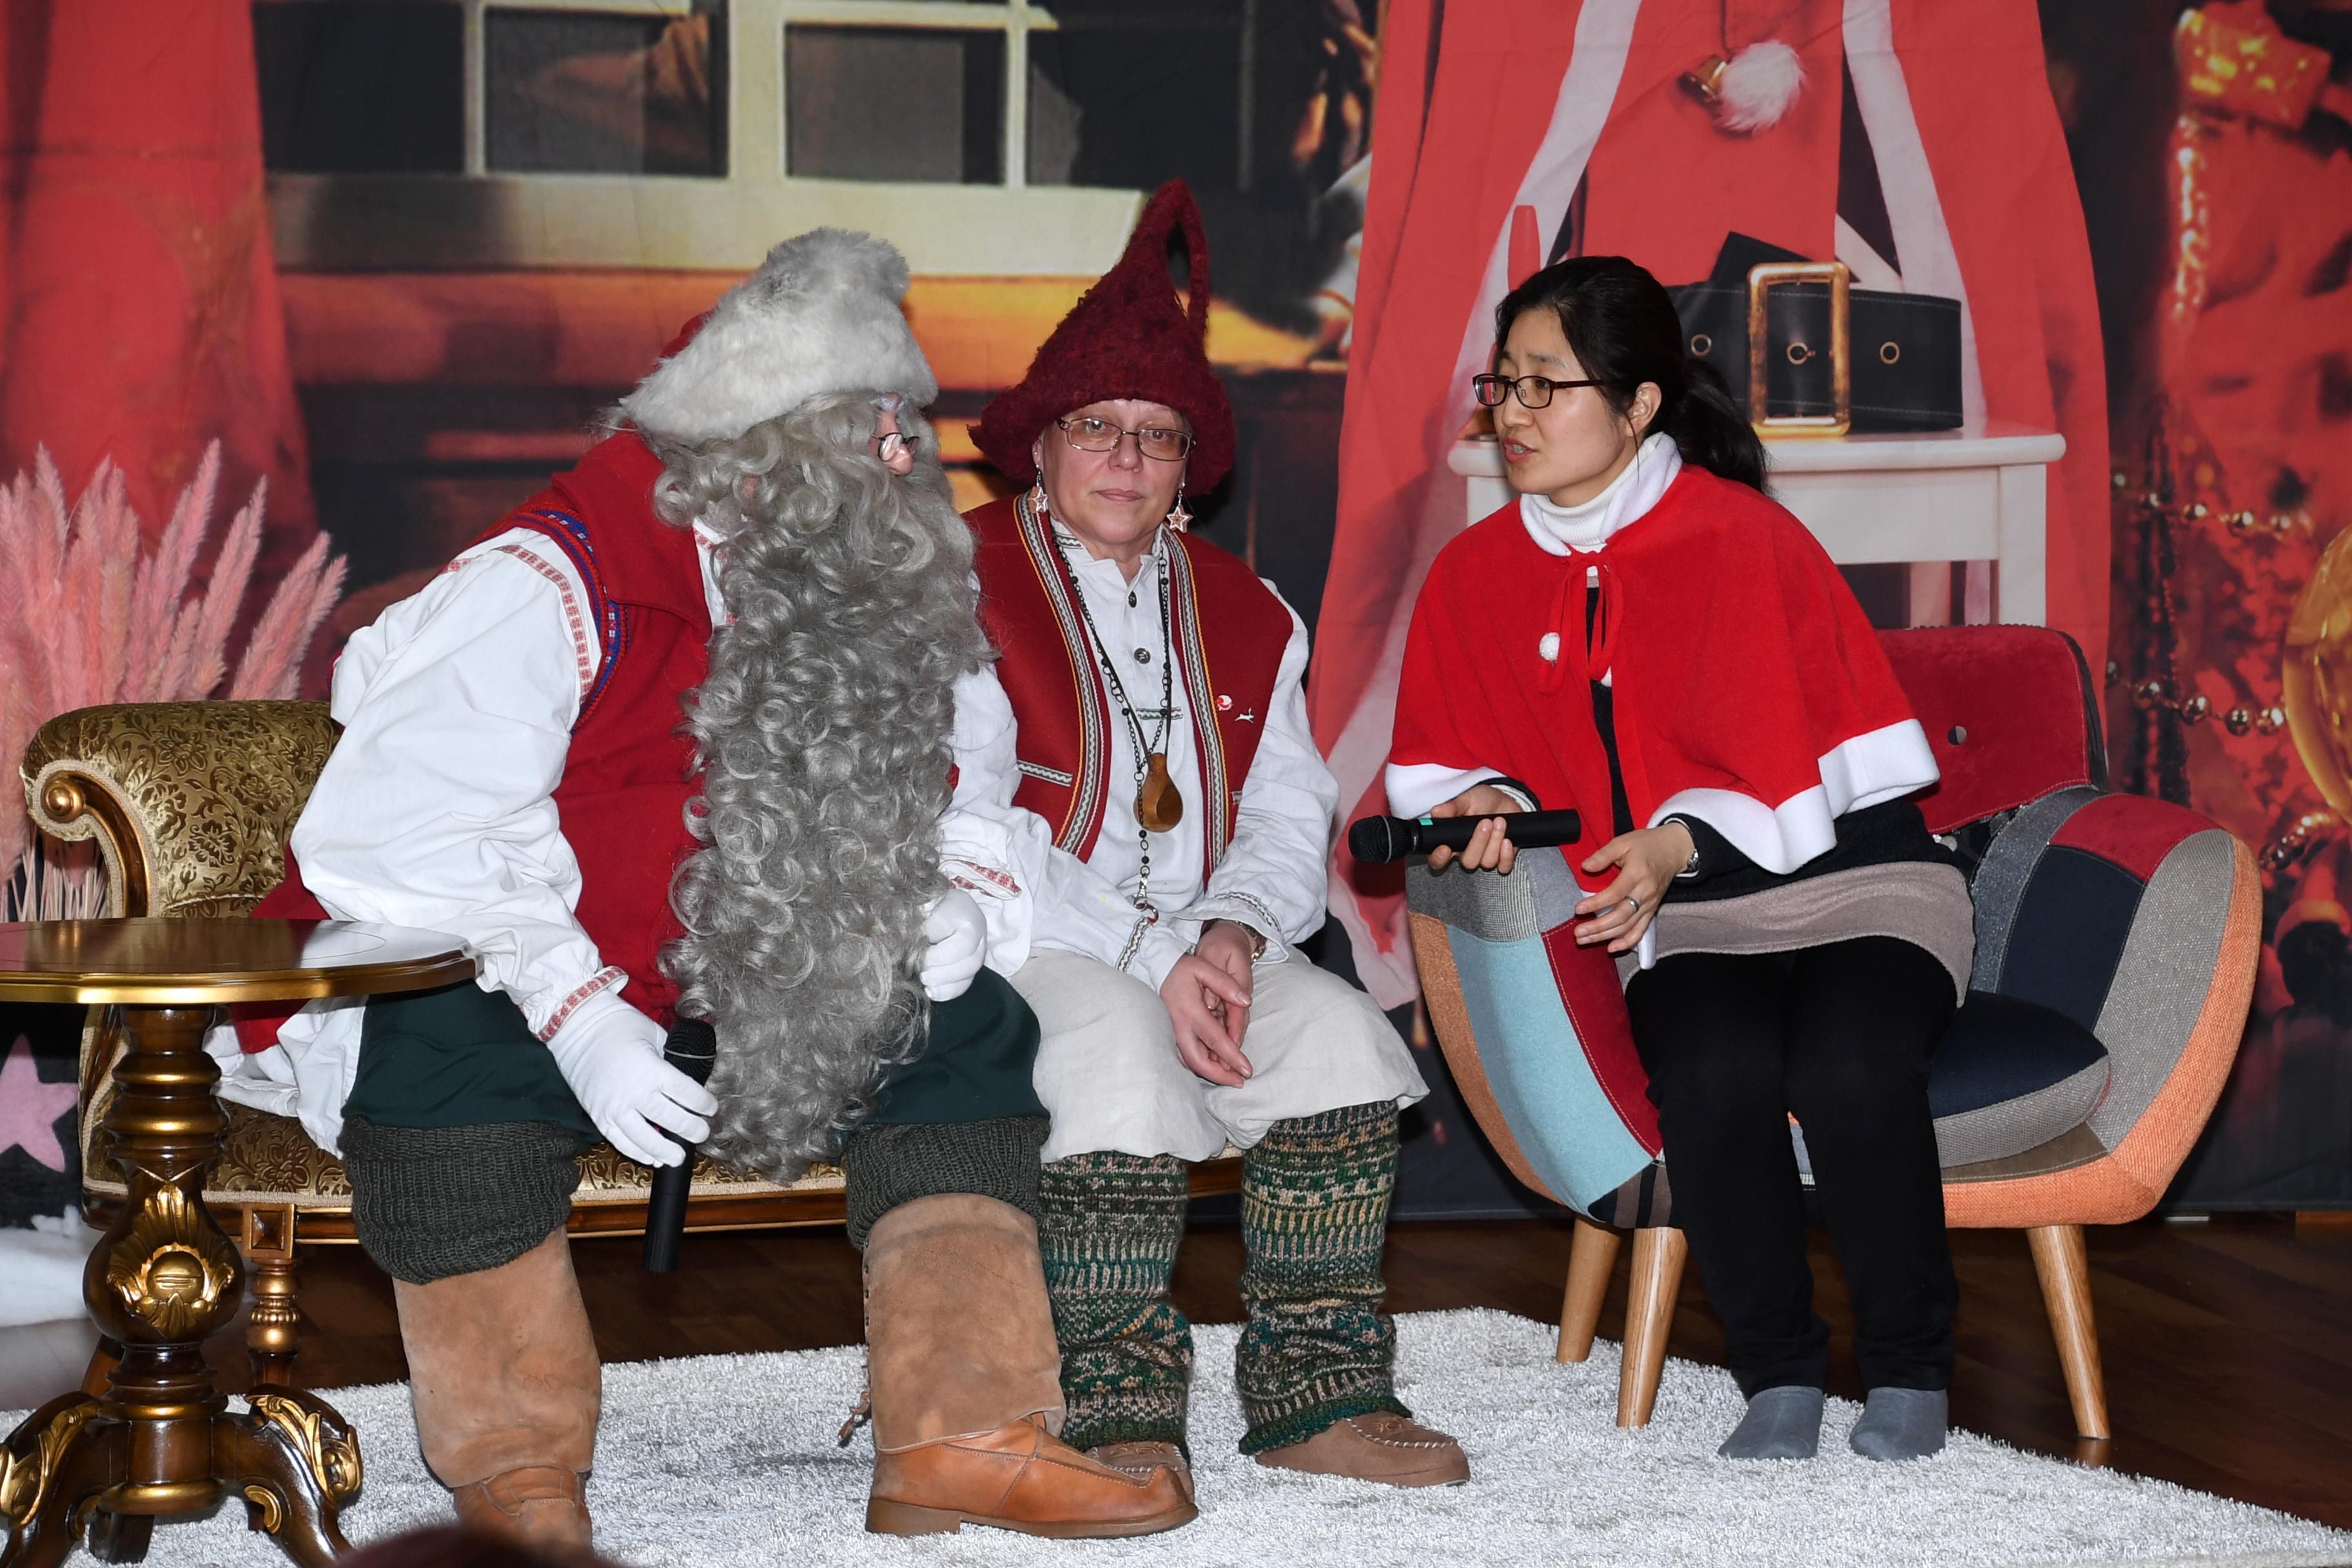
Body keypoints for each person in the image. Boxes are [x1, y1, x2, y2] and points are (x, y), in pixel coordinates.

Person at [222, 231, 1191, 1544]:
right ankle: (515, 1468)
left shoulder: (887, 573)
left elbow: (971, 774)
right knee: (440, 1047)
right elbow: (406, 833)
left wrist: (953, 891)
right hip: (544, 965)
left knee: (965, 1032)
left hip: (778, 968)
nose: (906, 467)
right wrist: (579, 1015)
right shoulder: (553, 582)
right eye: (874, 432)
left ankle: (960, 1429)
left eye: (905, 428)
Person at [1387, 256, 1973, 1464]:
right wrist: (1485, 798)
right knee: (1711, 1075)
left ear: (1643, 402)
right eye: (1506, 384)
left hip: (1861, 883)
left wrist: (1674, 837)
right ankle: (1778, 1372)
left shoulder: (1737, 535)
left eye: (1550, 385)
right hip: (1691, 916)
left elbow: (1775, 762)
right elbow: (1452, 754)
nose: (1516, 413)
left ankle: (1911, 1367)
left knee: (1851, 1058)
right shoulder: (1475, 572)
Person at [957, 181, 1465, 1493]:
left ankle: (1316, 1393)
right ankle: (1116, 1403)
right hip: (1021, 942)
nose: (1124, 459)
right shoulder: (954, 587)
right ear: (1041, 444)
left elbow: (1293, 808)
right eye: (1096, 429)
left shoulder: (1252, 613)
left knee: (1342, 1037)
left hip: (1199, 940)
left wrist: (1233, 937)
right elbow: (968, 833)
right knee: (1118, 1044)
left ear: (1191, 466)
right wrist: (1152, 950)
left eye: (1157, 436)